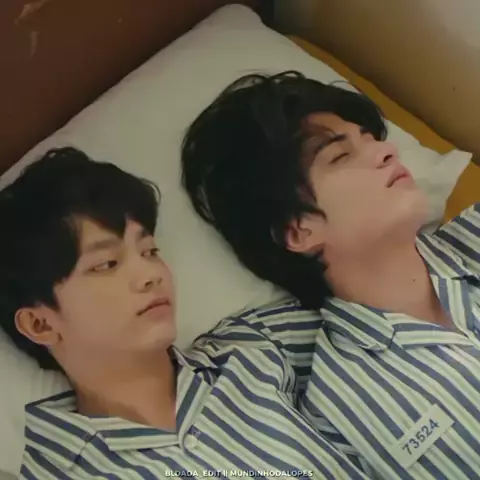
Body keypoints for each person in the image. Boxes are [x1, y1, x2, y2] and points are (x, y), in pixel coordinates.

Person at [0, 147, 369, 479]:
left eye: (150, 251)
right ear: (40, 323)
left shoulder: (251, 351)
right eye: (107, 264)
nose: (151, 275)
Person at [181, 70, 480, 480]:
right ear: (298, 231)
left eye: (371, 138)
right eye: (340, 156)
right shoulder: (339, 409)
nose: (387, 150)